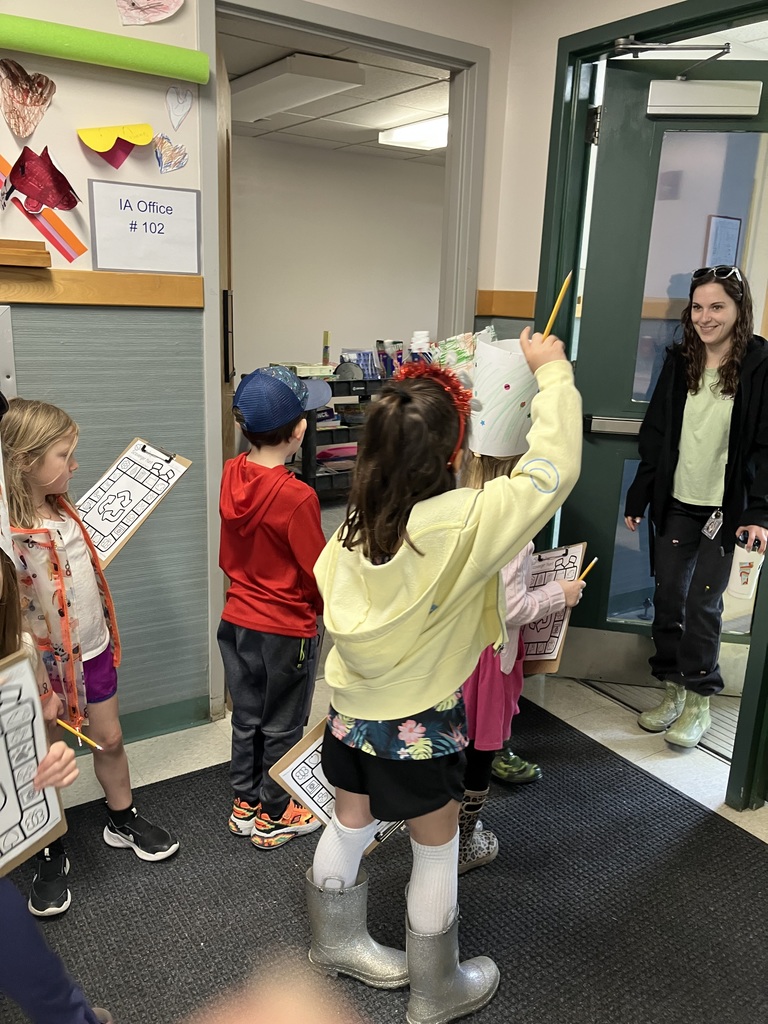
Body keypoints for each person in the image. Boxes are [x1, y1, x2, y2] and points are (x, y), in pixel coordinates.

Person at [306, 328, 582, 1024]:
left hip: (348, 712)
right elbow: (551, 469)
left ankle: (334, 943)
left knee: (350, 819)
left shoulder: (351, 529)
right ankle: (435, 989)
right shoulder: (470, 521)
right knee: (436, 849)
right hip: (420, 724)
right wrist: (553, 376)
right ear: (453, 452)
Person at [1, 398, 179, 918]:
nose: (74, 465)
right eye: (64, 455)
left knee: (111, 737)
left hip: (92, 651)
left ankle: (121, 815)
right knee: (48, 756)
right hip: (45, 669)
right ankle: (49, 845)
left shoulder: (63, 508)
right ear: (25, 462)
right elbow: (15, 620)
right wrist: (40, 685)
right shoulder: (9, 535)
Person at [625, 265, 768, 747]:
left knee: (701, 602)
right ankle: (671, 690)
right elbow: (657, 433)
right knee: (667, 598)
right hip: (678, 501)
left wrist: (759, 513)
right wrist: (641, 491)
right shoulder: (680, 359)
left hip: (725, 508)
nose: (706, 317)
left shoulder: (760, 364)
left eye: (718, 307)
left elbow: (767, 446)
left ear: (738, 310)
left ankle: (700, 700)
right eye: (699, 307)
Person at [219, 366, 329, 849]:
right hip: (286, 627)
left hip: (237, 619)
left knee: (247, 715)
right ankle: (277, 812)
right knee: (284, 720)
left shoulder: (232, 473)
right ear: (299, 430)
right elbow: (317, 571)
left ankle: (245, 800)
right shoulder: (297, 496)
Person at [458, 452, 585, 873]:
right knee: (480, 750)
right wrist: (557, 595)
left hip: (452, 651)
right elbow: (509, 607)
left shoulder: (457, 510)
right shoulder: (514, 533)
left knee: (447, 743)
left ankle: (431, 823)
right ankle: (461, 842)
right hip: (490, 657)